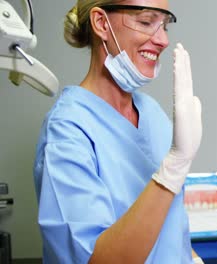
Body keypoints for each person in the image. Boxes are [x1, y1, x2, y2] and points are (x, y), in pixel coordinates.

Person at [33, 0, 203, 263]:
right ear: (101, 23)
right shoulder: (67, 129)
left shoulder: (153, 114)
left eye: (164, 25)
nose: (163, 40)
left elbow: (169, 230)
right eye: (147, 22)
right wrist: (174, 168)